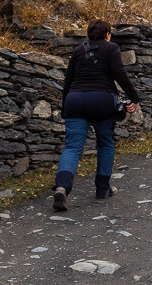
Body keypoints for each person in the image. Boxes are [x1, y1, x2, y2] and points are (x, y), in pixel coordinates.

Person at [53, 19, 140, 211]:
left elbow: (68, 80)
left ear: (88, 34)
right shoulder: (111, 48)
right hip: (101, 100)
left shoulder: (78, 51)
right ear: (108, 34)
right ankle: (102, 189)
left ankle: (62, 187)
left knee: (72, 147)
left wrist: (65, 107)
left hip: (75, 99)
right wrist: (134, 97)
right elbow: (119, 73)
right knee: (105, 143)